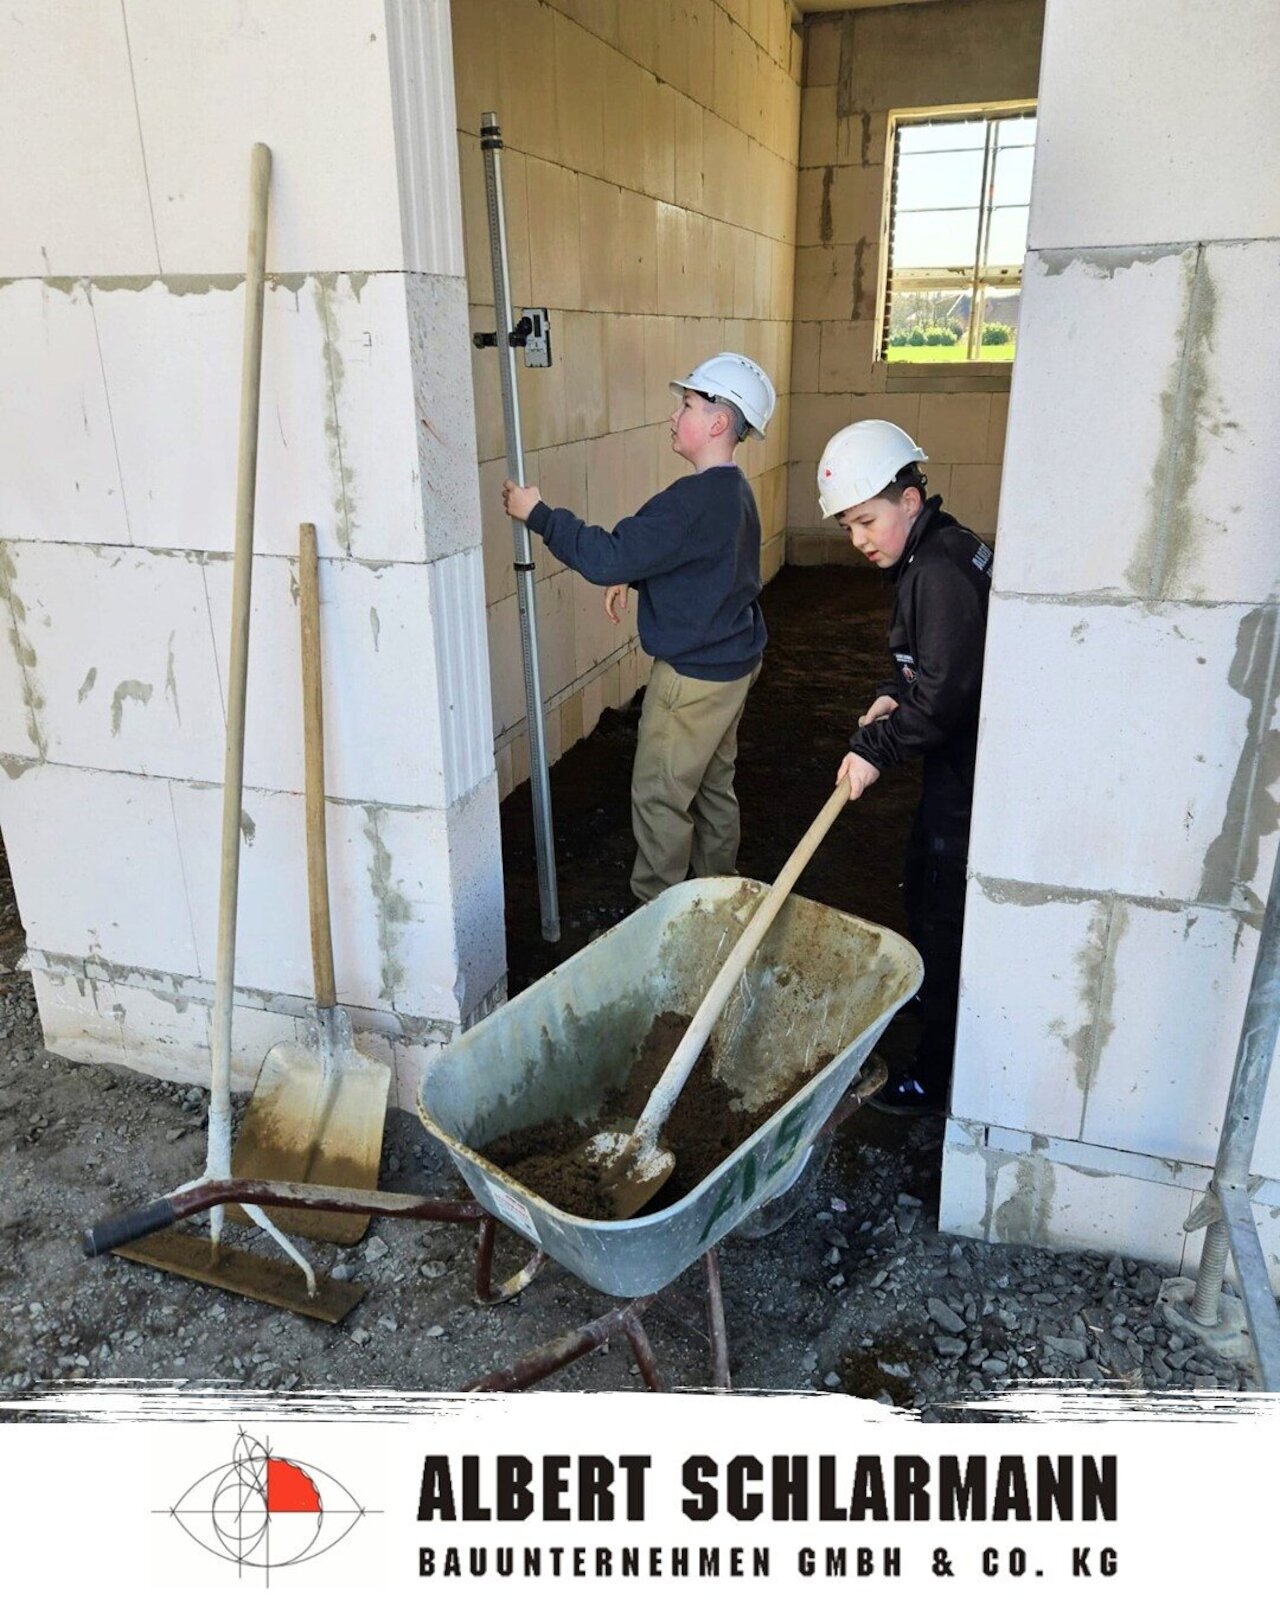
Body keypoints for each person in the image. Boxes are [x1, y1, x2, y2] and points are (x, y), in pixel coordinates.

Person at [502, 352, 776, 904]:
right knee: (713, 786)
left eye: (687, 404)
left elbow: (606, 557)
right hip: (733, 666)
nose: (674, 415)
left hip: (692, 680)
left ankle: (658, 917)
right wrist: (639, 573)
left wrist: (538, 515)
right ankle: (720, 902)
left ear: (719, 422)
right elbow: (703, 564)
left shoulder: (689, 503)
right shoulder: (733, 494)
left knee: (660, 796)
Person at [821, 419, 992, 1116]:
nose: (859, 540)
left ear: (910, 500)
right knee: (924, 878)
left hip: (972, 772)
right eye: (848, 528)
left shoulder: (938, 573)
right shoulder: (936, 553)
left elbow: (946, 700)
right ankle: (928, 994)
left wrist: (874, 749)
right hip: (960, 761)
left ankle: (936, 1076)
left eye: (867, 521)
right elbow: (938, 666)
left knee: (947, 915)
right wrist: (896, 691)